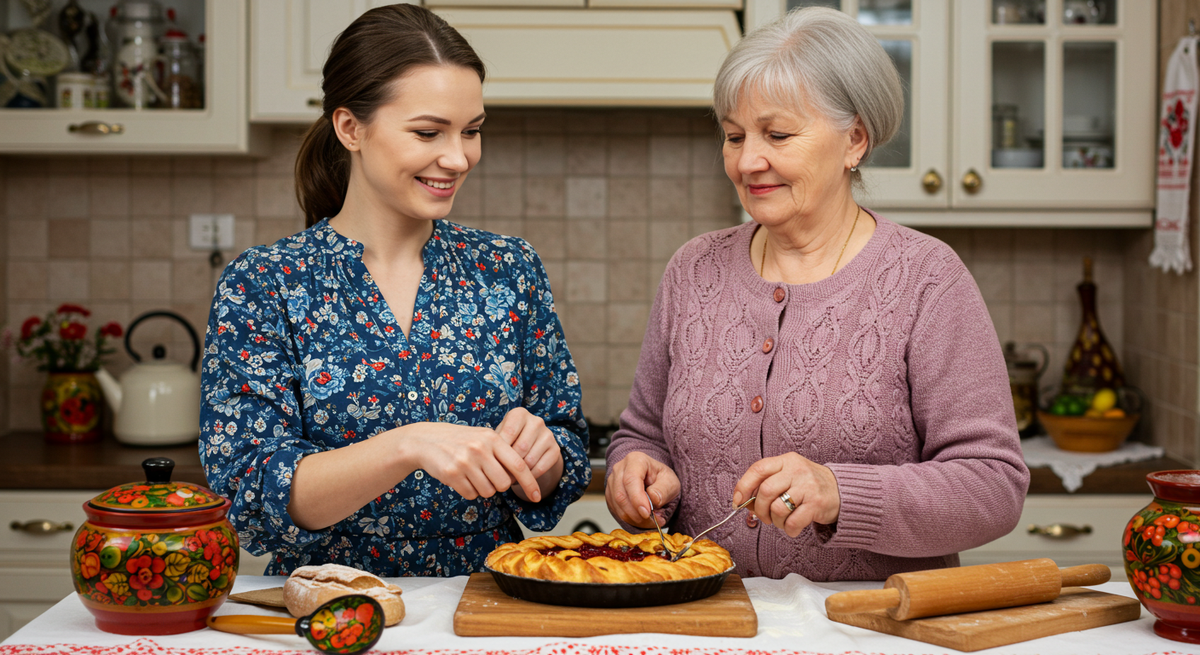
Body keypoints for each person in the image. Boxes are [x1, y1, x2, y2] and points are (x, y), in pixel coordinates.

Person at [605, 7, 1029, 581]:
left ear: (854, 139)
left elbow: (993, 484)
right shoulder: (694, 269)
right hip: (708, 621)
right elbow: (643, 433)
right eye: (734, 136)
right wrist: (637, 470)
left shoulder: (927, 278)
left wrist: (838, 492)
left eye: (777, 134)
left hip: (873, 626)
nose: (748, 160)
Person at [199, 4, 590, 577]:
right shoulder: (264, 283)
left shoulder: (508, 268)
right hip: (330, 606)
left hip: (483, 603)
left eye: (472, 131)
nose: (458, 158)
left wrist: (545, 454)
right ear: (350, 127)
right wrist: (408, 444)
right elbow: (251, 493)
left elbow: (568, 447)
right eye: (428, 132)